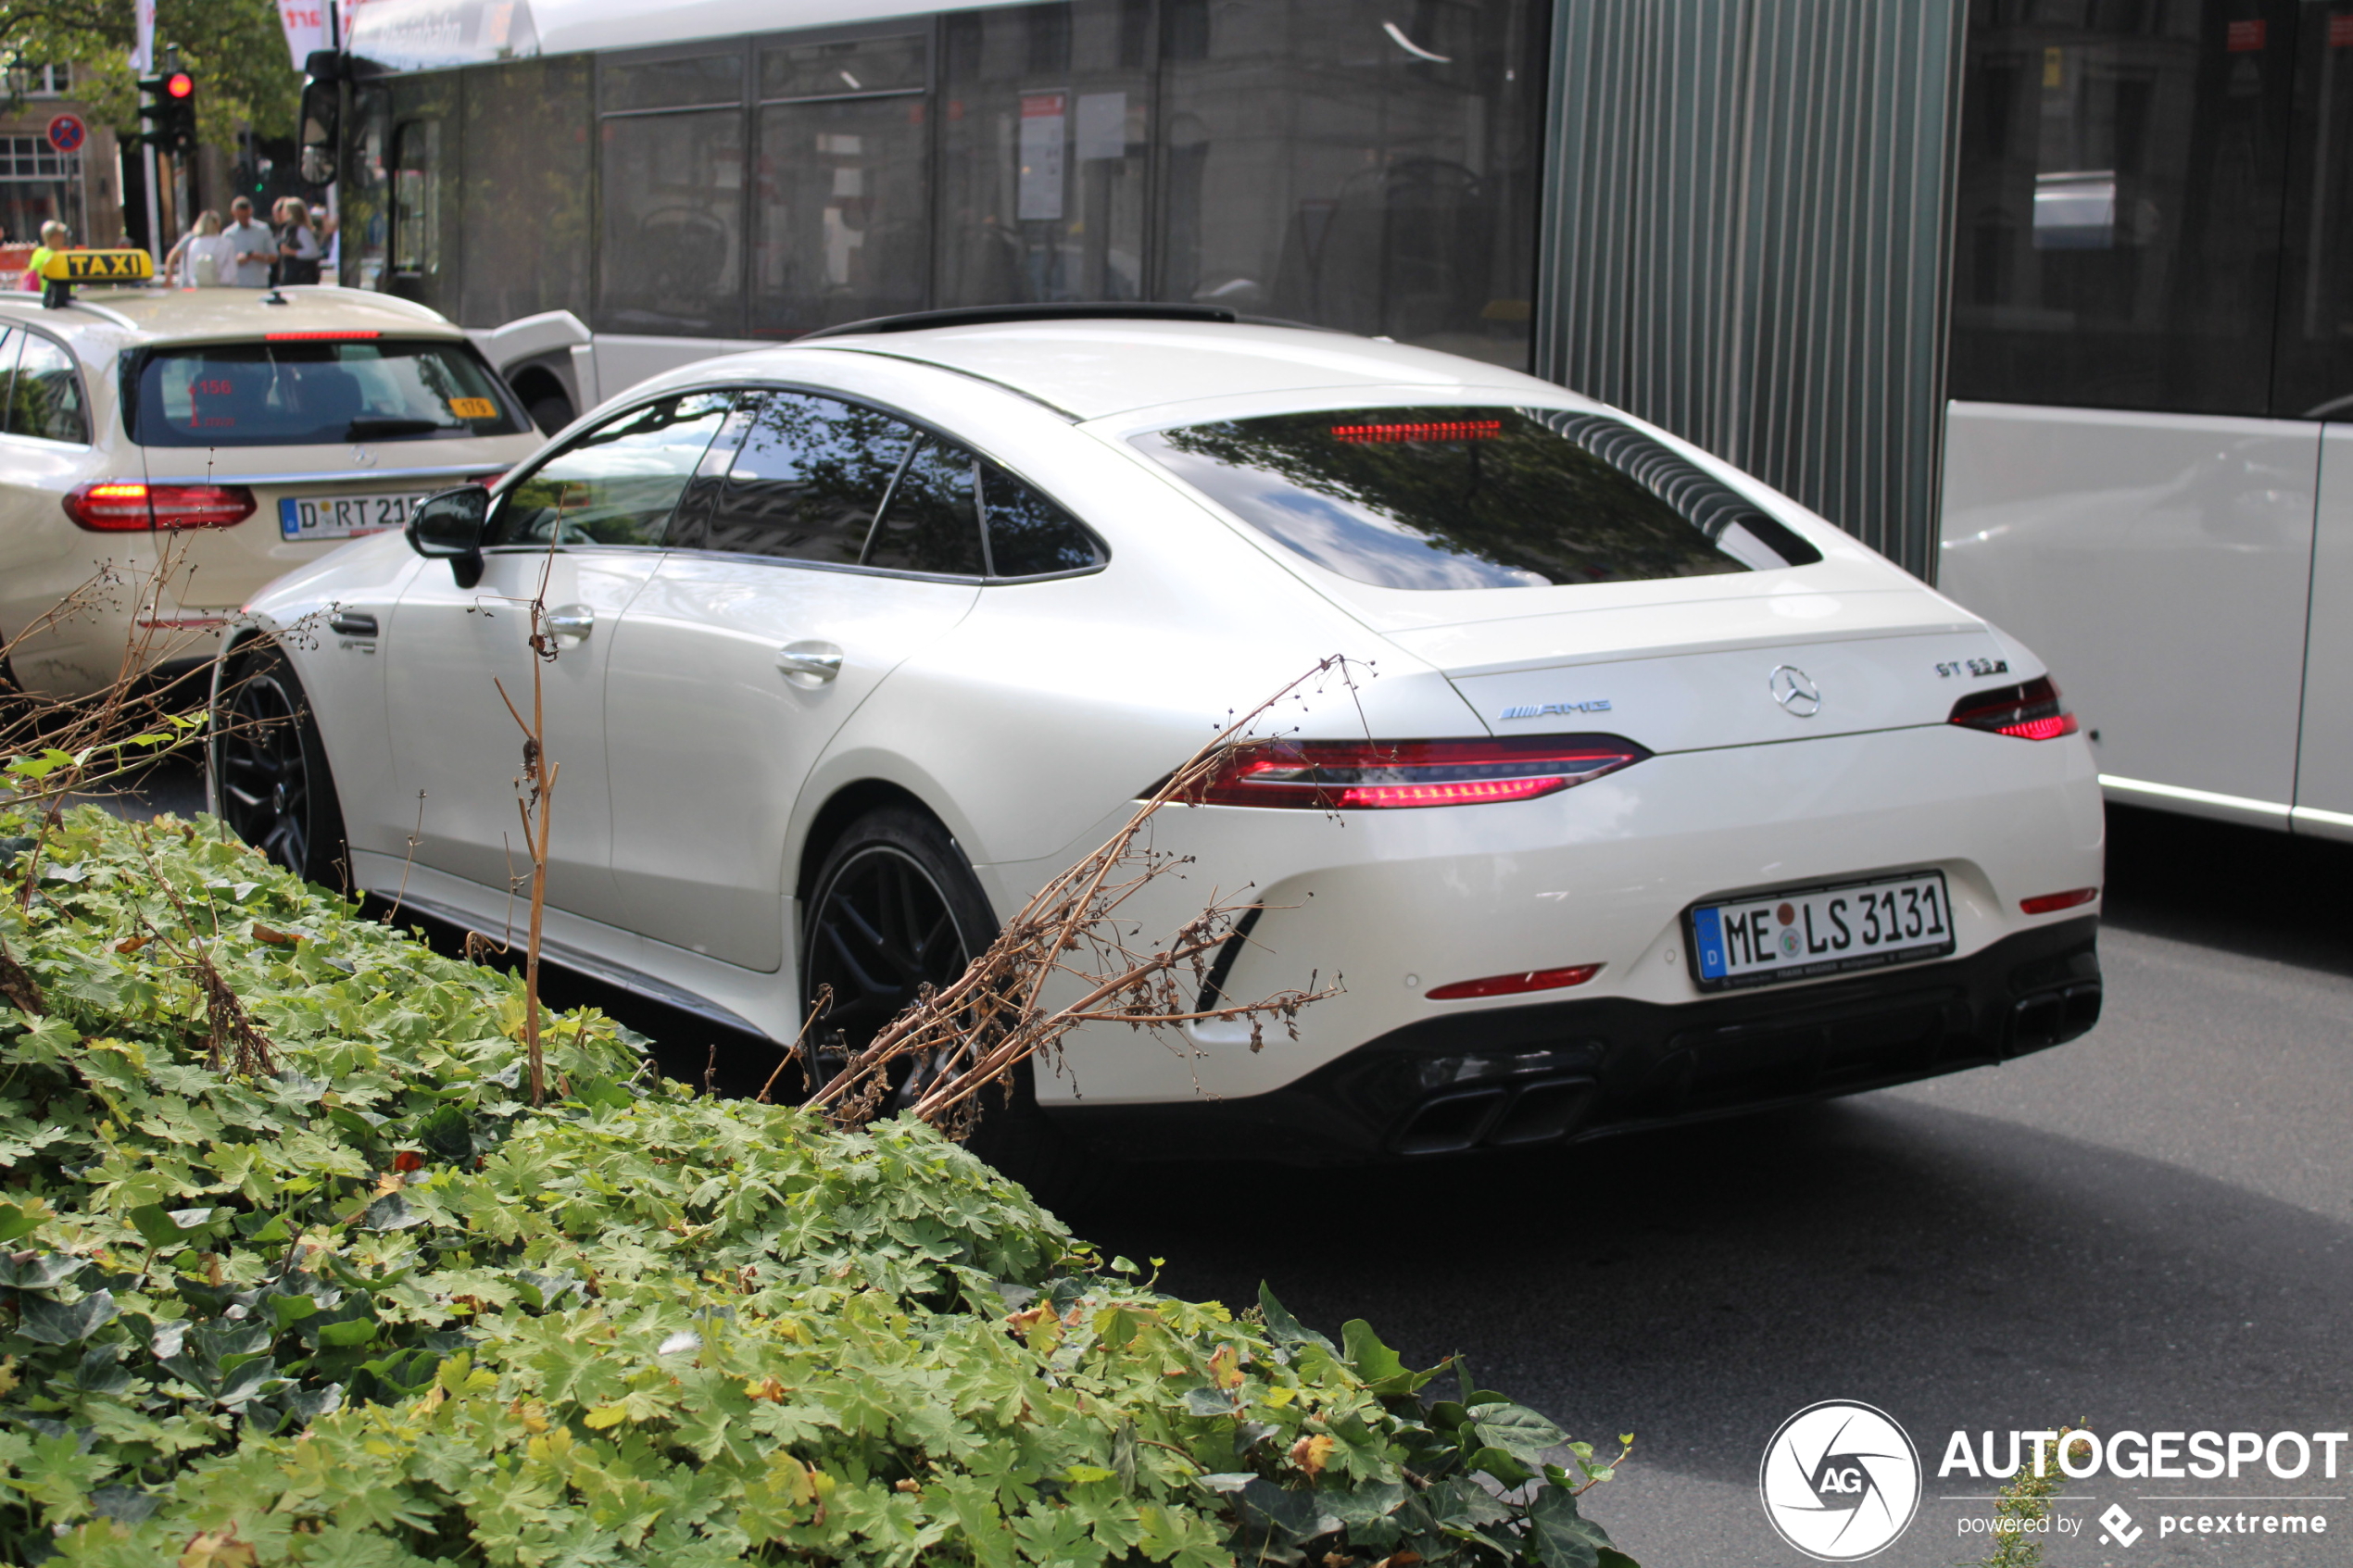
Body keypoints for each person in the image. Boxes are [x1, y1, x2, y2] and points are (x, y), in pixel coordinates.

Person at [166, 211, 236, 288]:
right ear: (217, 224)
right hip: (221, 285)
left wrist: (169, 278)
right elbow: (232, 270)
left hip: (194, 285)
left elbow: (190, 268)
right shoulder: (226, 243)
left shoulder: (194, 242)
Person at [221, 197, 274, 287]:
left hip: (260, 282)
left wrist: (258, 256)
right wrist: (236, 261)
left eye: (246, 216)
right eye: (241, 217)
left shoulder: (263, 230)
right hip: (238, 284)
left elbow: (274, 257)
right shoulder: (228, 234)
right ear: (234, 213)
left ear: (251, 212)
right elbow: (222, 263)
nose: (244, 220)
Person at [275, 197, 322, 286]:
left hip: (302, 278)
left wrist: (291, 252)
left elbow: (313, 252)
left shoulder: (301, 230)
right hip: (290, 278)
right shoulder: (288, 230)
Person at [19, 220, 67, 291]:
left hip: (41, 297)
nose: (63, 239)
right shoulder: (55, 257)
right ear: (53, 237)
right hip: (53, 297)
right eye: (61, 235)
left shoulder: (38, 252)